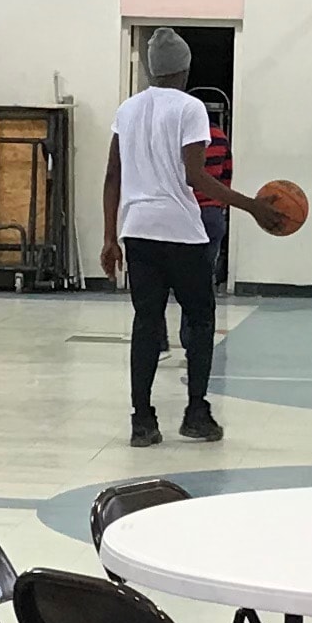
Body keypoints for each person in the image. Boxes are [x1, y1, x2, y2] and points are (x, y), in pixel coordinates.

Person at [100, 28, 268, 449]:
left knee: (146, 322)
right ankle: (195, 412)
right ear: (186, 68)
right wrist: (252, 206)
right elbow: (196, 176)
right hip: (180, 231)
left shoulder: (127, 109)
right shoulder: (191, 108)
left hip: (136, 230)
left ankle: (142, 420)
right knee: (199, 318)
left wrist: (109, 237)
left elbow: (112, 176)